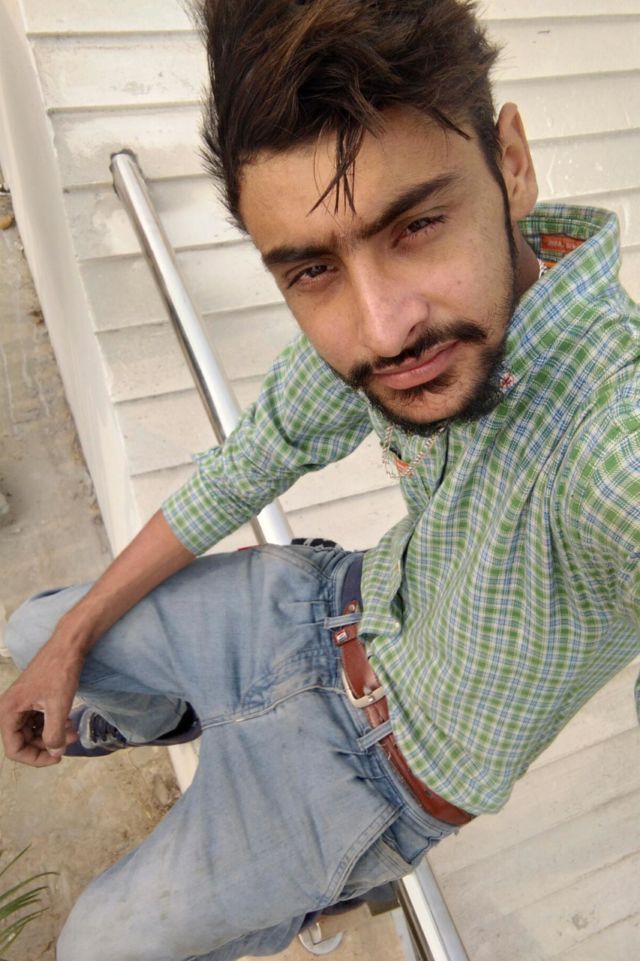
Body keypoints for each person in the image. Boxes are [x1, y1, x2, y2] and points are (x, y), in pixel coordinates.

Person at [1, 1, 639, 958]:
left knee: (97, 945)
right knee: (38, 632)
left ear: (511, 163)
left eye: (417, 224)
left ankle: (305, 889)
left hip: (371, 780)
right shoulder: (408, 329)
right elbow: (247, 465)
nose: (382, 329)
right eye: (311, 270)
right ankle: (178, 713)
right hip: (319, 610)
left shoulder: (612, 436)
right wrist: (74, 639)